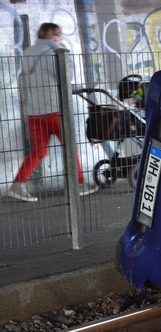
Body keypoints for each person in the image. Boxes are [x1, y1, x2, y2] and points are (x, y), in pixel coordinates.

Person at [6, 23, 97, 202]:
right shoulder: (53, 53)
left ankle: (17, 185)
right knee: (70, 147)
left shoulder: (28, 53)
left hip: (34, 113)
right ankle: (78, 185)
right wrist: (65, 53)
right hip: (55, 110)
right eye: (58, 35)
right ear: (53, 36)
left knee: (38, 151)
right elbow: (66, 76)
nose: (60, 38)